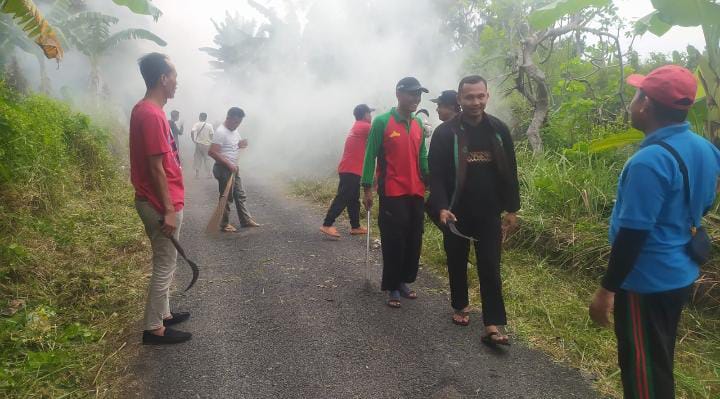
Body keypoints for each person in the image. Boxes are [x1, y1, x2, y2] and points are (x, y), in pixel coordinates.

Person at [589, 65, 720, 399]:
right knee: (658, 358)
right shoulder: (705, 149)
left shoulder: (648, 162)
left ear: (645, 104)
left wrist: (607, 289)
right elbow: (703, 205)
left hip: (644, 282)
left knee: (643, 371)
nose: (631, 103)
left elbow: (632, 236)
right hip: (679, 272)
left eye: (636, 96)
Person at [427, 75, 519, 346]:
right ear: (459, 99)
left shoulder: (498, 130)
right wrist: (442, 206)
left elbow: (511, 172)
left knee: (490, 265)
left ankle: (493, 323)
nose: (475, 102)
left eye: (480, 96)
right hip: (456, 212)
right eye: (469, 97)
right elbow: (438, 176)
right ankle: (460, 304)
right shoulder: (446, 133)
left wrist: (512, 208)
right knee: (456, 259)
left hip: (489, 211)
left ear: (487, 96)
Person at [129, 52, 191, 345]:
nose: (177, 82)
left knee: (168, 261)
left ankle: (163, 314)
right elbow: (155, 168)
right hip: (159, 204)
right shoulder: (152, 114)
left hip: (156, 201)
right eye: (174, 76)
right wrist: (167, 210)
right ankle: (154, 328)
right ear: (163, 79)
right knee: (164, 265)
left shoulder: (147, 109)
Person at [361, 77, 429, 308]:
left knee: (413, 238)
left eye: (419, 95)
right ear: (399, 95)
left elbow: (422, 156)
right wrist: (367, 187)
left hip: (416, 191)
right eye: (412, 94)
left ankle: (403, 281)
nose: (416, 99)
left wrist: (429, 180)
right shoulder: (382, 122)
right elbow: (370, 155)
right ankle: (391, 286)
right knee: (394, 239)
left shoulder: (418, 123)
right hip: (392, 191)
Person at [320, 104, 374, 238]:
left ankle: (355, 226)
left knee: (353, 199)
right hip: (351, 169)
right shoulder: (365, 126)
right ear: (365, 114)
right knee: (343, 197)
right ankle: (327, 224)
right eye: (370, 113)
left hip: (349, 168)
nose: (371, 116)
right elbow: (382, 134)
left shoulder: (357, 126)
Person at [208, 107, 260, 232]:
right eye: (235, 122)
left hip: (233, 167)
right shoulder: (221, 132)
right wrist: (228, 164)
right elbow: (212, 152)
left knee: (240, 194)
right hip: (223, 169)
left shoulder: (235, 131)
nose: (237, 125)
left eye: (239, 122)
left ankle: (245, 220)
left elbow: (231, 146)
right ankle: (224, 224)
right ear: (228, 118)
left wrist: (240, 145)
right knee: (227, 196)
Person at [191, 112, 214, 178]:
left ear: (200, 117)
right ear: (206, 118)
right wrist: (210, 141)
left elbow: (192, 131)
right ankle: (209, 174)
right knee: (207, 159)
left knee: (197, 158)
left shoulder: (197, 124)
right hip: (207, 144)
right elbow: (212, 134)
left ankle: (197, 174)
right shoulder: (209, 125)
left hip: (199, 144)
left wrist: (193, 139)